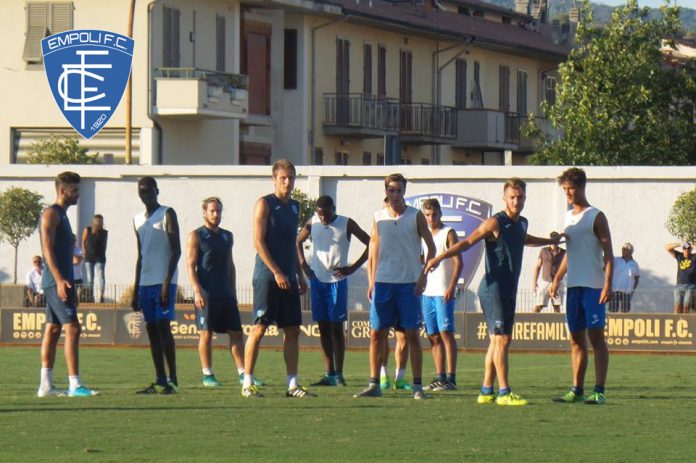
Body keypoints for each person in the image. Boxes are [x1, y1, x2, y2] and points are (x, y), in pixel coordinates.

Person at [425, 177, 562, 406]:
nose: (516, 201)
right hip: (493, 289)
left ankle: (486, 390)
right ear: (504, 198)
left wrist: (550, 240)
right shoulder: (494, 223)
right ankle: (504, 392)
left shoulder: (522, 223)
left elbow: (524, 239)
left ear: (525, 197)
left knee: (497, 342)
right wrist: (439, 258)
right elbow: (467, 242)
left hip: (509, 290)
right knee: (502, 340)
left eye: (520, 197)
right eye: (512, 197)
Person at [355, 173, 436, 400]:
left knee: (411, 334)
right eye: (391, 190)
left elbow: (431, 248)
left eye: (399, 190)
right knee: (376, 333)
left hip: (408, 284)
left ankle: (417, 386)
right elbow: (373, 250)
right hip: (383, 283)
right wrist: (371, 281)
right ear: (386, 192)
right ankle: (374, 384)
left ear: (404, 191)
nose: (395, 195)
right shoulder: (378, 217)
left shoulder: (415, 216)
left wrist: (423, 275)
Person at [243, 159, 313, 398]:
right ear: (274, 179)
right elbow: (258, 242)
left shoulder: (294, 207)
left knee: (292, 330)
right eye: (283, 178)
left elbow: (292, 243)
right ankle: (247, 383)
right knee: (259, 328)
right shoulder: (264, 204)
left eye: (291, 178)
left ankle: (292, 384)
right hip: (267, 277)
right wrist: (276, 271)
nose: (287, 182)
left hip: (289, 278)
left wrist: (299, 274)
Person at [551, 167, 613, 405]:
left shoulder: (596, 216)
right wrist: (557, 278)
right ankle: (576, 389)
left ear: (581, 187)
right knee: (575, 339)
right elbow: (571, 251)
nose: (568, 193)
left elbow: (608, 253)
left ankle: (599, 391)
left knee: (596, 338)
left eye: (571, 188)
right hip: (574, 287)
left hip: (593, 287)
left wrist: (607, 284)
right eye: (565, 189)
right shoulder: (568, 217)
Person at [187, 197, 263, 388]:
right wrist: (197, 291)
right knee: (206, 334)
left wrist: (233, 290)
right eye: (212, 211)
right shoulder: (196, 235)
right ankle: (208, 374)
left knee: (236, 333)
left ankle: (243, 373)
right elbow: (190, 265)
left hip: (226, 294)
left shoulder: (227, 236)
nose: (216, 214)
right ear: (204, 212)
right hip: (206, 294)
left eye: (219, 211)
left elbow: (230, 264)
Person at [297, 195, 369, 387]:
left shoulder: (346, 223)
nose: (323, 218)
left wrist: (352, 268)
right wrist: (304, 265)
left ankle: (339, 375)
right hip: (317, 281)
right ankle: (329, 373)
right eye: (320, 215)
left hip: (337, 282)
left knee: (337, 328)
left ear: (333, 208)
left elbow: (371, 243)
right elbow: (297, 242)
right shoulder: (312, 222)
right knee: (323, 328)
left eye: (326, 214)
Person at [37, 171, 98, 398]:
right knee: (73, 328)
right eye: (74, 190)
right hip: (56, 281)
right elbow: (46, 249)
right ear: (62, 191)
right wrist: (60, 279)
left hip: (62, 280)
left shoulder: (62, 215)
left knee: (53, 329)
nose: (77, 194)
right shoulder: (51, 214)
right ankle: (75, 384)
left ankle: (45, 386)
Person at [131, 176, 181, 394]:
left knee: (163, 327)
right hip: (145, 283)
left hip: (163, 281)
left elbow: (176, 250)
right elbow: (140, 255)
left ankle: (173, 379)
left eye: (149, 190)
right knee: (151, 330)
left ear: (156, 191)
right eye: (141, 191)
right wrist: (135, 289)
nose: (146, 195)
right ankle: (160, 379)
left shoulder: (167, 213)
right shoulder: (137, 220)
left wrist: (166, 282)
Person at [420, 199, 462, 392]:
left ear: (440, 214)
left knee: (446, 333)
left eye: (434, 214)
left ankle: (451, 379)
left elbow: (459, 262)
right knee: (433, 336)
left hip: (443, 291)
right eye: (427, 215)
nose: (431, 218)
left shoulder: (448, 233)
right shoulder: (423, 234)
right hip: (427, 292)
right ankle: (440, 376)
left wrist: (452, 286)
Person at [532, 232, 566, 313]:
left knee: (556, 307)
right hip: (545, 282)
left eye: (556, 240)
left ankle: (557, 321)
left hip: (558, 283)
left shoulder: (564, 252)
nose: (554, 242)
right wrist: (534, 281)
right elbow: (538, 266)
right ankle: (532, 320)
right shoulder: (544, 251)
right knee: (538, 306)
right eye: (553, 240)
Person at [82, 214, 108, 303]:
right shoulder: (88, 230)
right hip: (89, 257)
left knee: (101, 277)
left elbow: (105, 244)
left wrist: (103, 252)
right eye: (99, 221)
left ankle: (101, 296)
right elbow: (83, 241)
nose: (101, 223)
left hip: (100, 257)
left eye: (101, 221)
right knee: (90, 278)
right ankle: (90, 296)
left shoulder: (104, 232)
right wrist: (84, 251)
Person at [665, 241, 695, 314]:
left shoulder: (694, 257)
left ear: (691, 250)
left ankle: (684, 320)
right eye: (684, 248)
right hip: (679, 285)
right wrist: (680, 244)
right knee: (677, 307)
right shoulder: (679, 256)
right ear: (682, 249)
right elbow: (667, 248)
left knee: (686, 307)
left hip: (691, 286)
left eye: (688, 249)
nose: (686, 250)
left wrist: (691, 245)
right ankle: (677, 320)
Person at [609, 243, 640, 313]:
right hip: (614, 290)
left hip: (627, 291)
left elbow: (637, 278)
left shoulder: (635, 264)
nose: (622, 250)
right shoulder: (616, 260)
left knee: (625, 312)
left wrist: (633, 289)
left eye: (625, 249)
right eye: (622, 249)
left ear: (630, 251)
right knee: (613, 311)